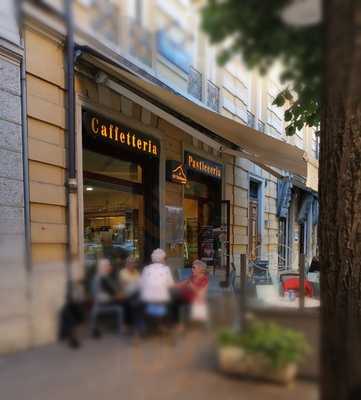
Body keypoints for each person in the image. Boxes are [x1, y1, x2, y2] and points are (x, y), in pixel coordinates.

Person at [139, 249, 174, 331]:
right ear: (162, 259)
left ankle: (150, 326)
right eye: (165, 259)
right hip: (161, 300)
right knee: (172, 304)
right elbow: (171, 285)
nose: (165, 260)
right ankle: (164, 325)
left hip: (147, 300)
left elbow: (141, 284)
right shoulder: (166, 269)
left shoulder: (146, 269)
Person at [172, 260, 209, 324]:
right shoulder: (192, 277)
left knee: (175, 302)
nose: (192, 269)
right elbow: (183, 283)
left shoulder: (204, 279)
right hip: (186, 297)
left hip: (194, 300)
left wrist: (191, 286)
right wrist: (171, 285)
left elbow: (200, 294)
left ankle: (179, 324)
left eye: (194, 268)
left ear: (200, 269)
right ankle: (177, 323)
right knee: (173, 300)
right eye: (192, 267)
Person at [119, 256, 141, 329]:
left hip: (136, 294)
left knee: (140, 302)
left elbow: (140, 283)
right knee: (127, 303)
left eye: (134, 263)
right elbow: (124, 284)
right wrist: (135, 283)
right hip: (126, 294)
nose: (132, 265)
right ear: (126, 264)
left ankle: (138, 323)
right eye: (130, 263)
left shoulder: (136, 272)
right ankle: (127, 324)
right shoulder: (122, 272)